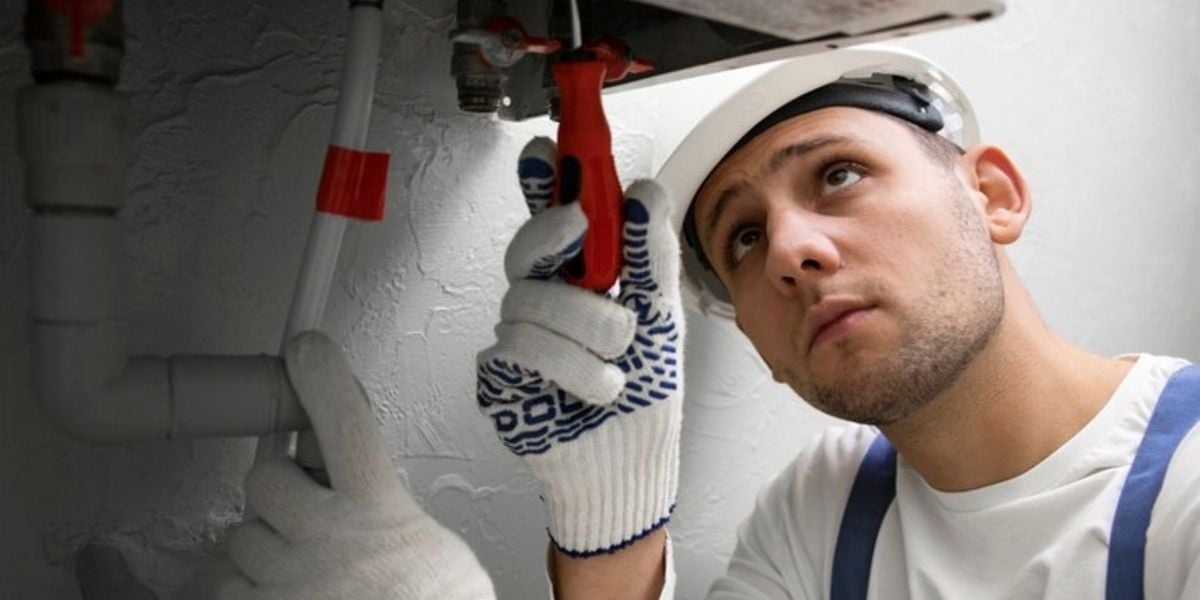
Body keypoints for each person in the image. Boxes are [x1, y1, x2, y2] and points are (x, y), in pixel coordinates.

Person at [212, 46, 1200, 599]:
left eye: (839, 174)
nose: (787, 252)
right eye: (740, 241)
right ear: (763, 353)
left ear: (994, 195)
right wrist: (609, 518)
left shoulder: (1184, 492)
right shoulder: (826, 512)